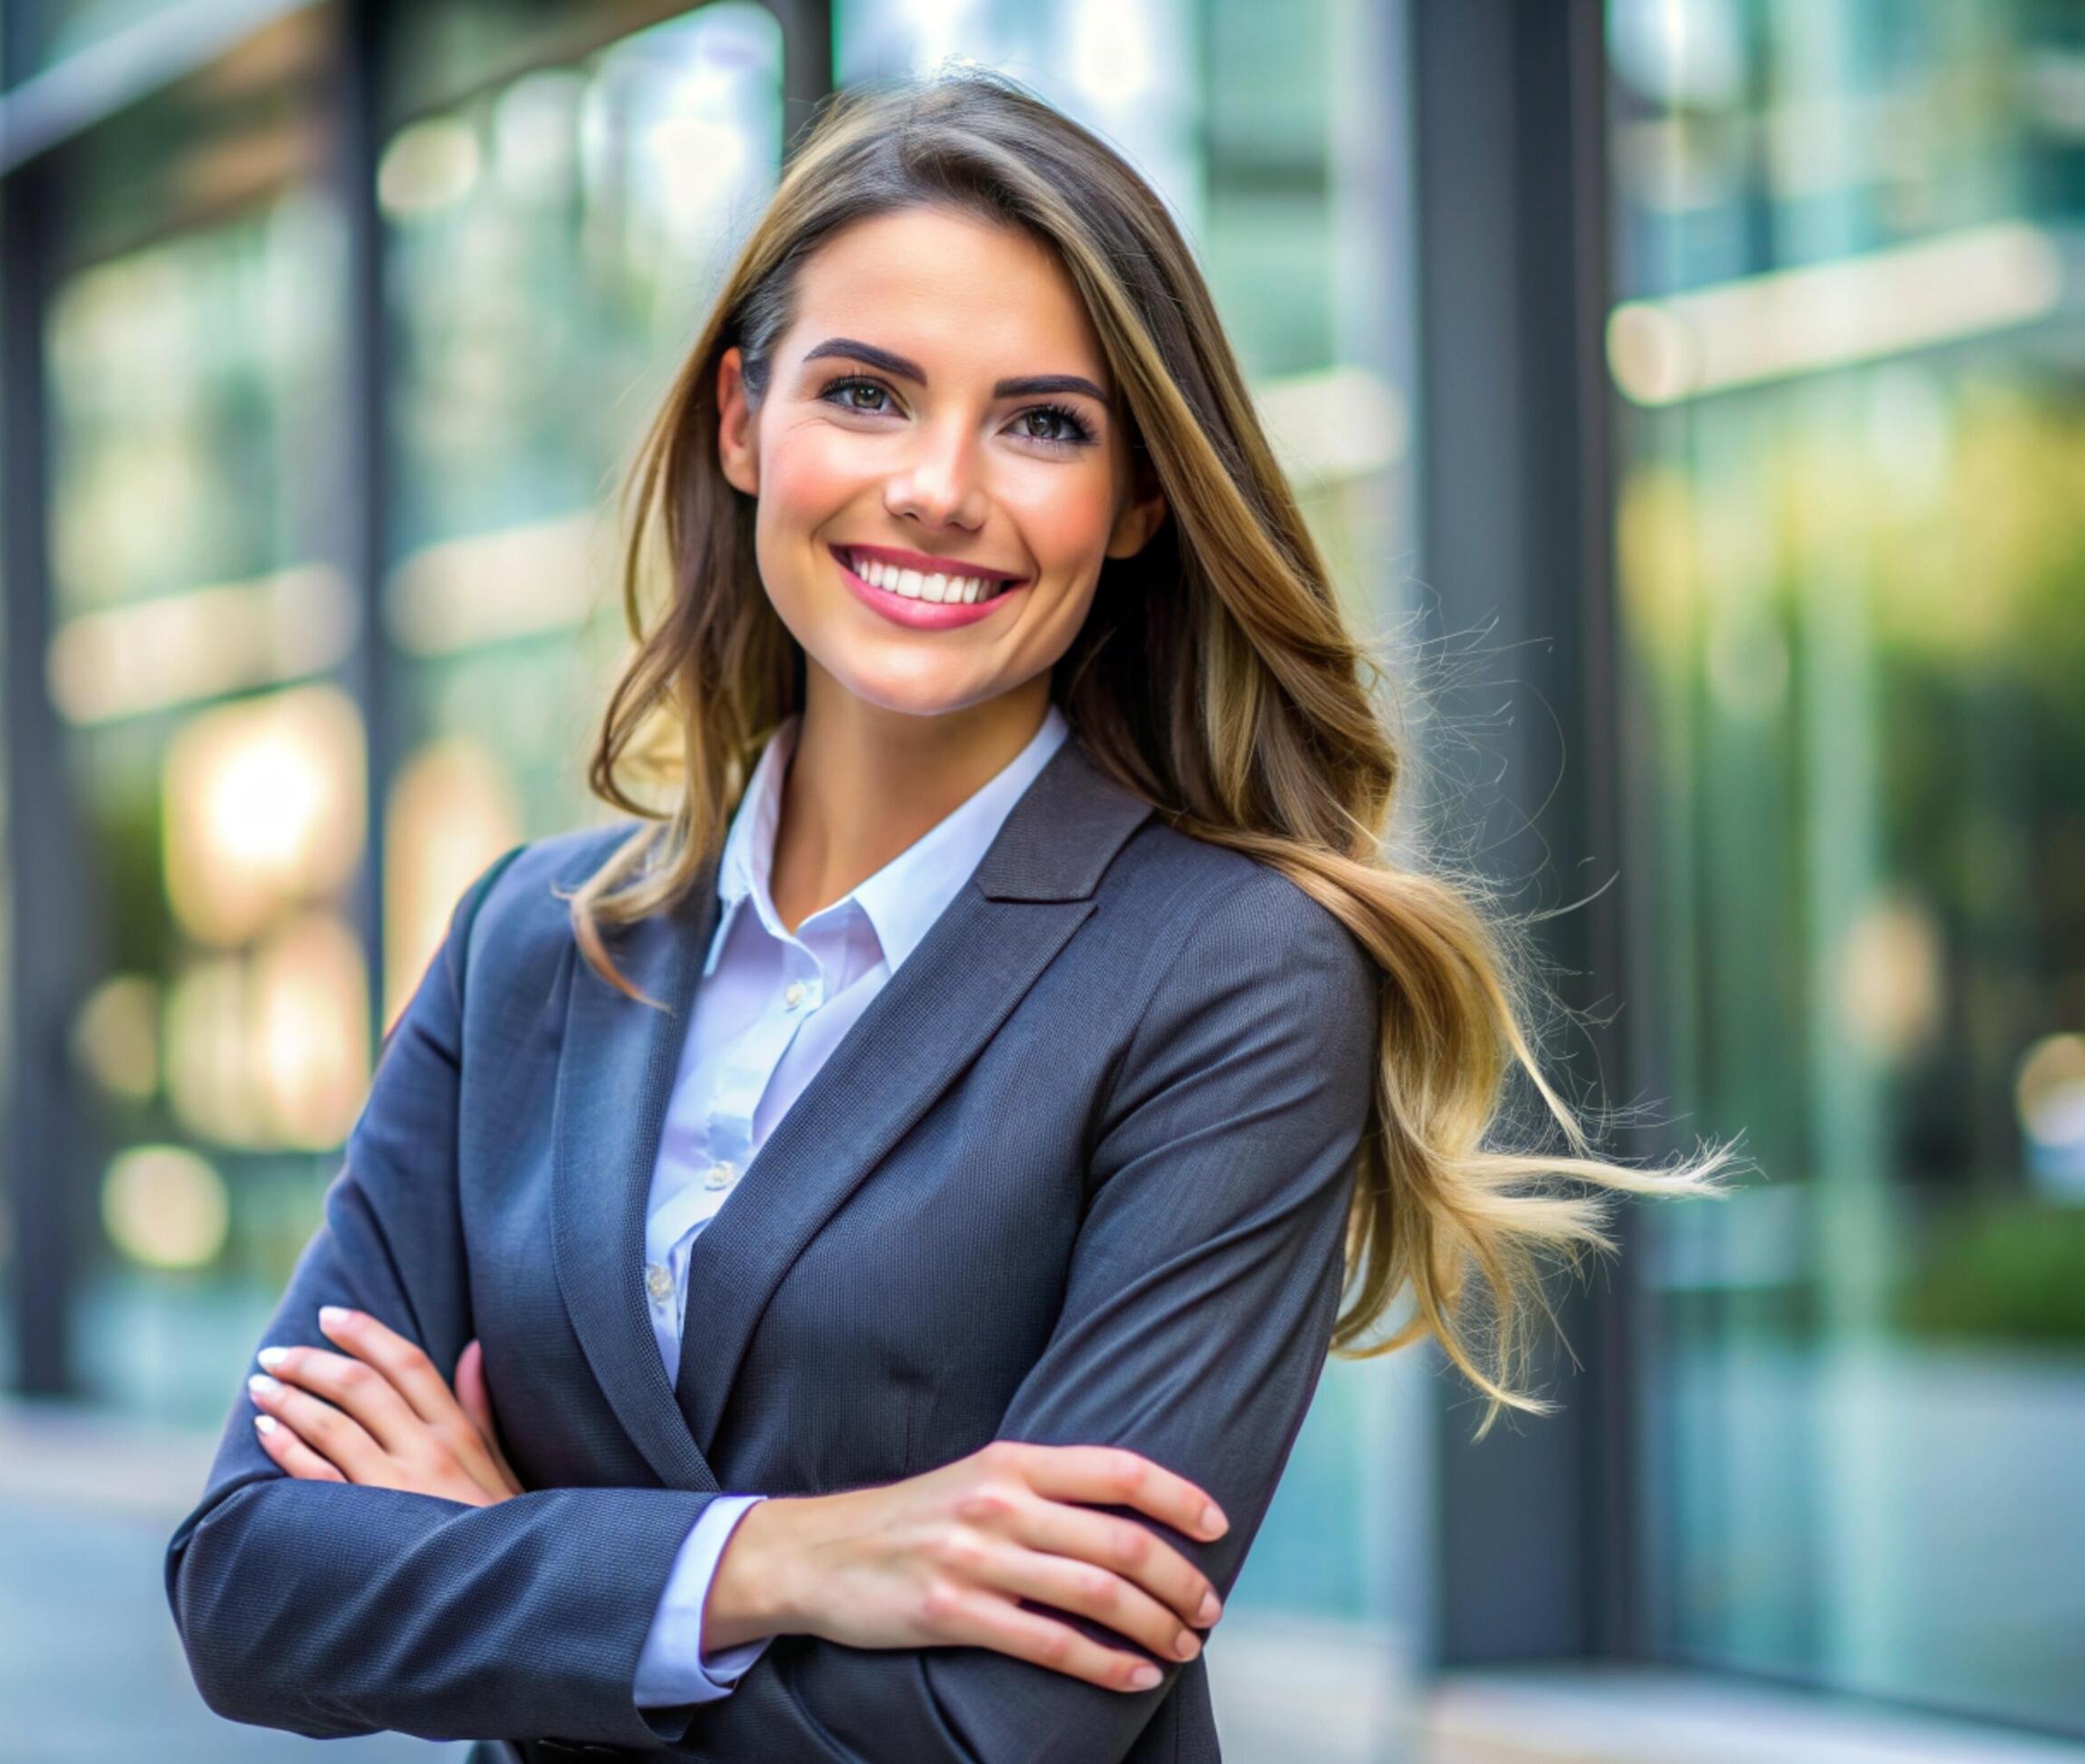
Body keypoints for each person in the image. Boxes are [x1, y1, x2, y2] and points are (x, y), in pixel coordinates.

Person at [164, 68, 1719, 1763]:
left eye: (1042, 422)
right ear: (745, 423)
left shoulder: (1236, 975)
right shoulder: (531, 940)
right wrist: (781, 1561)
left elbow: (1003, 1731)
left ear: (1136, 501)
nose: (939, 487)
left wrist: (494, 1569)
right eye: (868, 393)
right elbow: (248, 1588)